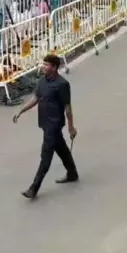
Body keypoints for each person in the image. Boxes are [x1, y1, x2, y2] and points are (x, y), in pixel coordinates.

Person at [12, 54, 78, 200]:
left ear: (54, 67)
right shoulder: (41, 81)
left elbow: (67, 108)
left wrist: (71, 127)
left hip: (54, 125)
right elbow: (35, 98)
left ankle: (33, 188)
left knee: (45, 157)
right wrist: (21, 111)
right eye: (44, 64)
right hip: (44, 122)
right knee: (61, 148)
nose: (43, 67)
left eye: (46, 65)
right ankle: (72, 173)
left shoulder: (62, 84)